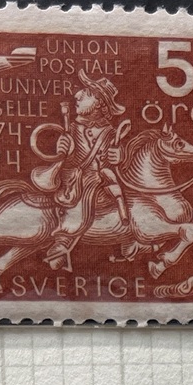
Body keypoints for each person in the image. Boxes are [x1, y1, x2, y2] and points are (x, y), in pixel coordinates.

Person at [36, 74, 131, 271]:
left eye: (86, 92)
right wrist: (63, 149)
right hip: (76, 181)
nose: (77, 95)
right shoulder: (71, 129)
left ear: (99, 103)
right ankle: (63, 240)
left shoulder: (110, 133)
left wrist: (119, 156)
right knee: (84, 195)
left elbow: (116, 158)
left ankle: (131, 238)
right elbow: (64, 159)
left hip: (102, 180)